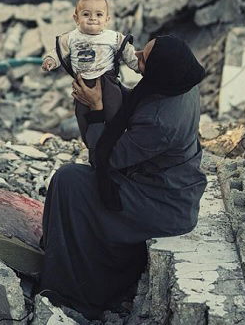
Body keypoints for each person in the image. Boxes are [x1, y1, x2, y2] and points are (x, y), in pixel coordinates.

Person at [38, 34, 208, 319]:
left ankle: (70, 289)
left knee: (70, 182)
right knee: (71, 182)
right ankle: (59, 251)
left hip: (164, 204)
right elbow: (140, 107)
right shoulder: (181, 83)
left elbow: (107, 158)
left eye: (144, 59)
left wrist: (96, 109)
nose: (137, 56)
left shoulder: (161, 122)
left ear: (160, 71)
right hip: (166, 183)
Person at [42, 0, 139, 146]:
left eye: (99, 14)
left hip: (107, 81)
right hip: (83, 83)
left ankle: (116, 142)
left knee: (114, 114)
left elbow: (128, 52)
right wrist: (50, 61)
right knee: (82, 115)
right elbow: (58, 50)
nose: (93, 18)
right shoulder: (71, 37)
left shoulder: (112, 37)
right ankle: (91, 144)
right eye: (86, 14)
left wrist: (138, 66)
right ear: (76, 18)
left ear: (107, 20)